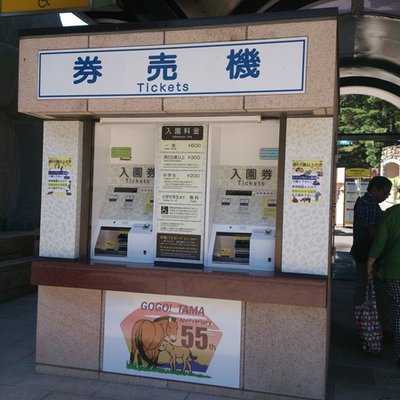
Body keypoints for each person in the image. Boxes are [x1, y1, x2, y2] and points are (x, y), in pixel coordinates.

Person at [351, 176, 392, 333]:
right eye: (385, 192)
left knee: (364, 286)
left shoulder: (365, 201)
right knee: (369, 287)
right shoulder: (370, 204)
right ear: (375, 189)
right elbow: (373, 231)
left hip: (361, 251)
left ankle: (364, 320)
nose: (387, 195)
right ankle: (366, 321)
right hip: (367, 253)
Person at [367, 204, 400, 366]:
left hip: (394, 271)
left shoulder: (392, 214)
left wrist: (370, 264)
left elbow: (379, 242)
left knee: (398, 308)